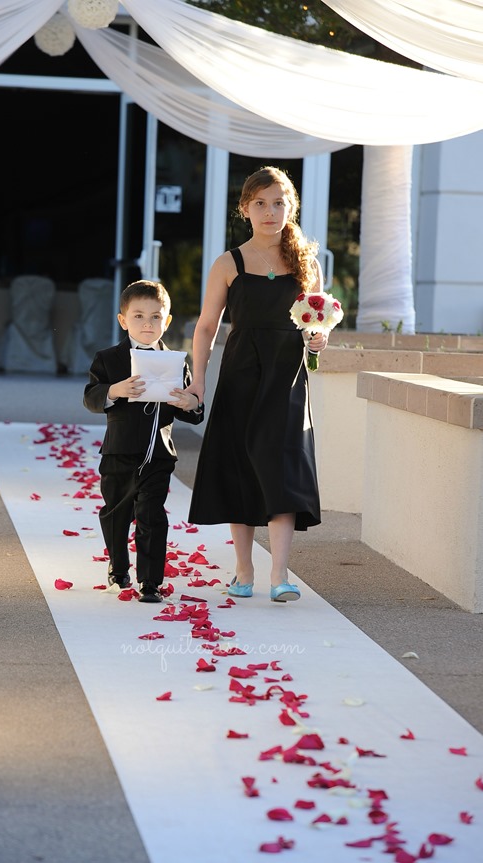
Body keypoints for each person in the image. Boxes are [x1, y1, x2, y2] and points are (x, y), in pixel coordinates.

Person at [186, 166, 328, 603]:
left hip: (287, 378)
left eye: (279, 203)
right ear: (246, 209)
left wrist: (319, 342)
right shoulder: (229, 263)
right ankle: (244, 569)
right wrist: (198, 383)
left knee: (283, 468)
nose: (271, 211)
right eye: (261, 203)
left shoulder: (307, 262)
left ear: (291, 208)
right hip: (242, 374)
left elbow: (317, 325)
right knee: (240, 467)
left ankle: (280, 575)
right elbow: (207, 327)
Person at [84, 280, 204, 603]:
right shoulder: (109, 359)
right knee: (116, 514)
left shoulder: (177, 362)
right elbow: (91, 397)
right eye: (138, 316)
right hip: (118, 453)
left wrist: (190, 404)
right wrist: (114, 391)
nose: (147, 324)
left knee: (152, 516)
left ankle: (150, 582)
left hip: (157, 455)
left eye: (155, 317)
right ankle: (118, 566)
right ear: (123, 320)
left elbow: (194, 411)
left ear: (167, 322)